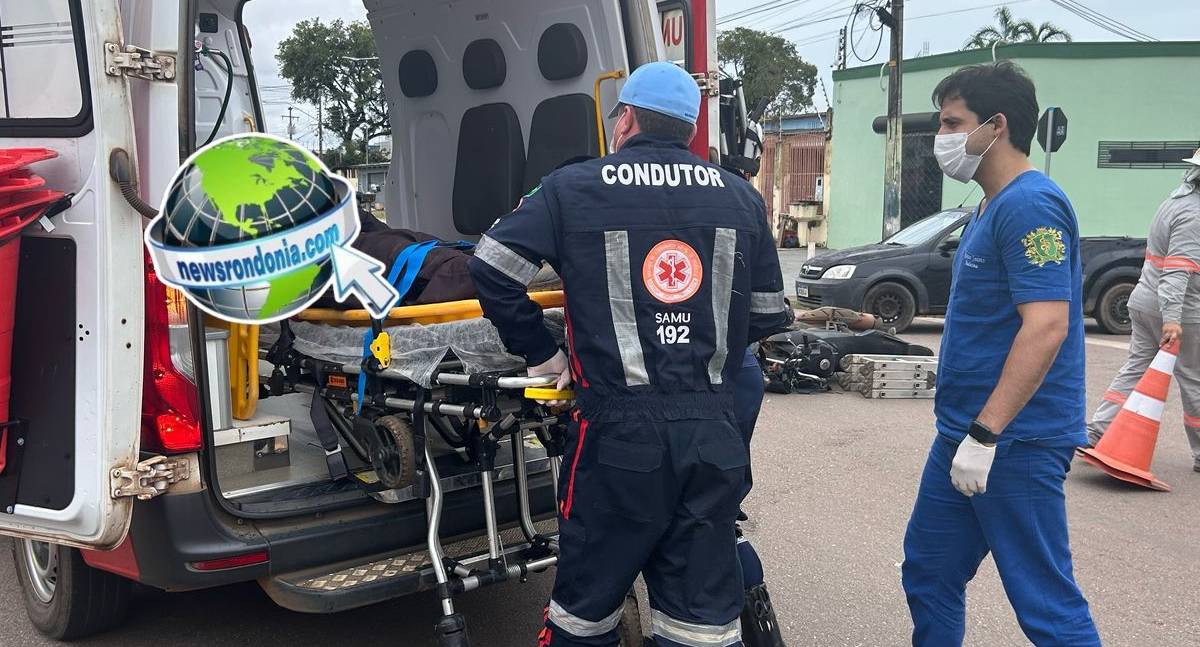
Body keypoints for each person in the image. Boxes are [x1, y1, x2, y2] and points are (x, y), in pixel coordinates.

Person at [468, 61, 792, 647]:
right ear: (690, 131)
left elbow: (491, 266)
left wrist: (543, 355)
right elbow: (765, 317)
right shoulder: (742, 198)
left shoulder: (573, 187)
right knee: (700, 625)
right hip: (711, 439)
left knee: (585, 614)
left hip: (616, 438)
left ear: (627, 122)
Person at [899, 61, 1101, 647]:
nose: (943, 138)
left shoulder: (1031, 205)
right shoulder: (988, 205)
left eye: (952, 123)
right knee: (929, 570)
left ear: (996, 125)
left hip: (1015, 441)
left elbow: (1046, 326)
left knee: (1045, 602)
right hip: (962, 435)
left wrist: (987, 435)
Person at [1086, 150, 1200, 469]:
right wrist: (1174, 320)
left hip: (1145, 301)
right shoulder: (1195, 217)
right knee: (1194, 379)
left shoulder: (1175, 202)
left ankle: (1098, 431)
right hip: (1178, 311)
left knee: (1136, 369)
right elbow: (1177, 271)